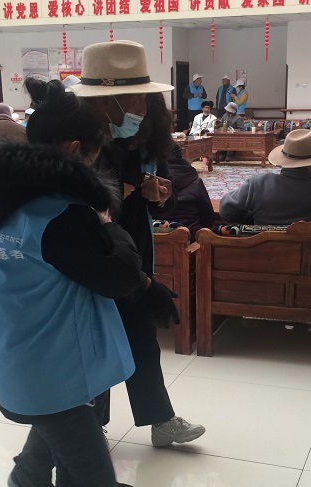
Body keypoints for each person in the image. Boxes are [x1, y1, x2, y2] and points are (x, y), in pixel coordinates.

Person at [0, 81, 144, 487]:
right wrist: (108, 225)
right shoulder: (60, 216)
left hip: (10, 350)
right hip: (57, 367)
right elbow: (121, 277)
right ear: (74, 149)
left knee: (51, 450)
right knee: (92, 475)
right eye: (95, 153)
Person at [71, 40, 205, 445]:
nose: (142, 108)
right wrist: (124, 190)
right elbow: (72, 209)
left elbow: (167, 198)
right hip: (92, 257)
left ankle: (160, 421)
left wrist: (160, 194)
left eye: (146, 99)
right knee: (95, 343)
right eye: (134, 99)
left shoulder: (145, 138)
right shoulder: (76, 144)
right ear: (104, 102)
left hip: (135, 255)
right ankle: (92, 427)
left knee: (142, 338)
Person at [219, 129, 311, 225]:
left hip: (261, 244)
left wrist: (251, 219)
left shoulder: (260, 184)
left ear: (283, 160)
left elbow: (225, 210)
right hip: (305, 245)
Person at [167, 144, 215, 240]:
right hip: (191, 238)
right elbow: (208, 218)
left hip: (154, 239)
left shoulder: (151, 181)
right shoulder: (195, 182)